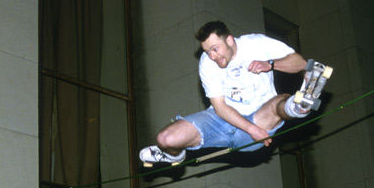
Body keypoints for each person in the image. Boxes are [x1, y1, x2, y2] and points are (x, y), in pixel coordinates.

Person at [139, 20, 329, 165]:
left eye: (215, 49)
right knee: (165, 139)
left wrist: (271, 64)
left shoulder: (256, 44)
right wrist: (251, 129)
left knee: (278, 103)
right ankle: (173, 154)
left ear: (229, 40)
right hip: (223, 120)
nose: (212, 56)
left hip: (259, 116)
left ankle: (298, 105)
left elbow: (300, 63)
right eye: (207, 51)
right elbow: (220, 107)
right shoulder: (207, 63)